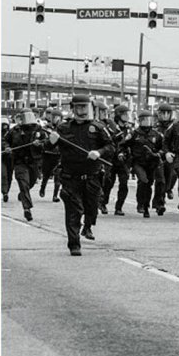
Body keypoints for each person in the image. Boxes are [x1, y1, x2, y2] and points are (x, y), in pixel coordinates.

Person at [48, 94, 114, 255]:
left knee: (91, 208)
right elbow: (48, 148)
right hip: (70, 176)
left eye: (84, 107)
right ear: (72, 108)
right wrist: (51, 140)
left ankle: (88, 226)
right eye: (78, 107)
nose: (81, 110)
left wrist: (99, 152)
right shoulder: (63, 128)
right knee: (73, 211)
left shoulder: (98, 127)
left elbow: (111, 146)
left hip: (92, 176)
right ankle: (74, 243)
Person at [6, 109, 45, 221]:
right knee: (23, 184)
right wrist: (7, 148)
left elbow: (46, 142)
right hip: (20, 161)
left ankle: (22, 195)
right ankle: (27, 209)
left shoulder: (38, 129)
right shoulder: (14, 130)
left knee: (31, 182)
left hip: (33, 162)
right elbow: (5, 140)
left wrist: (39, 144)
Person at [128, 110, 164, 218]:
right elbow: (124, 145)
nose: (147, 122)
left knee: (149, 184)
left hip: (151, 163)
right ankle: (140, 204)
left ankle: (146, 206)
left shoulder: (157, 135)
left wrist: (159, 154)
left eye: (149, 120)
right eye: (144, 120)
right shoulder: (134, 134)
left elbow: (163, 147)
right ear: (139, 121)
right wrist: (123, 154)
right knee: (143, 181)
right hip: (138, 162)